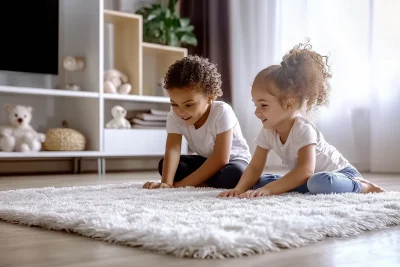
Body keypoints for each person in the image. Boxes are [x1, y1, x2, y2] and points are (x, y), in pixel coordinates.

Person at [218, 40, 384, 198]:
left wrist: (269, 190)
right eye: (255, 105)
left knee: (317, 182)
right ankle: (304, 189)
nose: (257, 112)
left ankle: (363, 187)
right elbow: (254, 167)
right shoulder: (267, 131)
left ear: (289, 104)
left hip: (339, 175)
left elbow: (305, 170)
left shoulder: (303, 129)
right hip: (309, 178)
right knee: (260, 181)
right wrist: (238, 189)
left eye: (263, 105)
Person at [143, 55, 251, 190]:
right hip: (206, 161)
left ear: (210, 97)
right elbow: (173, 149)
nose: (181, 112)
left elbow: (220, 159)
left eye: (189, 105)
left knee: (234, 175)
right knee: (166, 164)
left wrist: (180, 185)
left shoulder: (222, 112)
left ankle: (202, 182)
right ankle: (205, 182)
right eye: (174, 104)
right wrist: (166, 183)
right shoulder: (173, 116)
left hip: (234, 161)